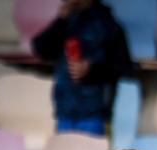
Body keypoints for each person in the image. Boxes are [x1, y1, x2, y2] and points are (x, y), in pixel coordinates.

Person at [32, 0, 133, 136]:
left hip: (95, 112)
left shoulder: (108, 25)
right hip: (65, 109)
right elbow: (42, 50)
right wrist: (60, 21)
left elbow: (123, 68)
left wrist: (92, 70)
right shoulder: (66, 23)